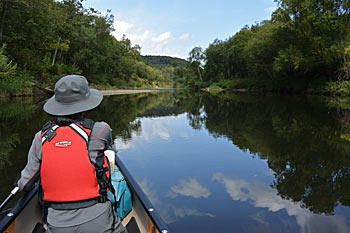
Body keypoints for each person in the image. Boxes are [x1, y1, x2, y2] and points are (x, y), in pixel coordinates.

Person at [16, 75, 127, 233]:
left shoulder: (40, 138)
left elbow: (26, 184)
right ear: (86, 105)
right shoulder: (101, 130)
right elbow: (106, 146)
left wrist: (19, 182)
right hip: (98, 218)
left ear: (57, 103)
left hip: (58, 224)